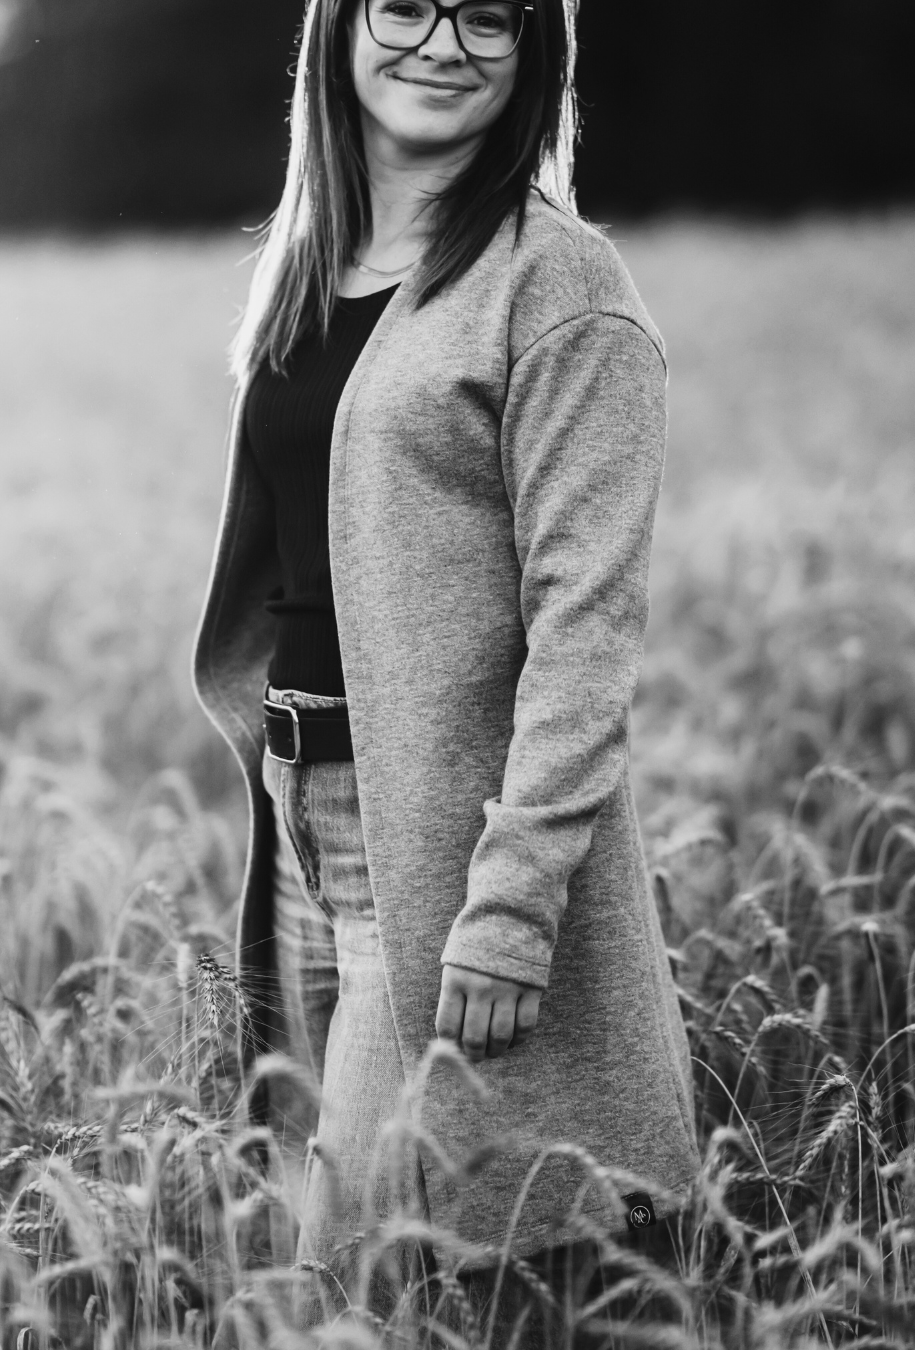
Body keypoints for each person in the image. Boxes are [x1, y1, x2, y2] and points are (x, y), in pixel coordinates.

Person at [192, 0, 699, 1324]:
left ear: (536, 56)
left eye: (488, 16)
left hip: (434, 838)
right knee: (336, 1261)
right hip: (302, 817)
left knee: (350, 1280)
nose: (443, 43)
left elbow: (586, 624)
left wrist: (516, 902)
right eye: (407, 5)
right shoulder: (317, 264)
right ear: (340, 30)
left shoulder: (559, 284)